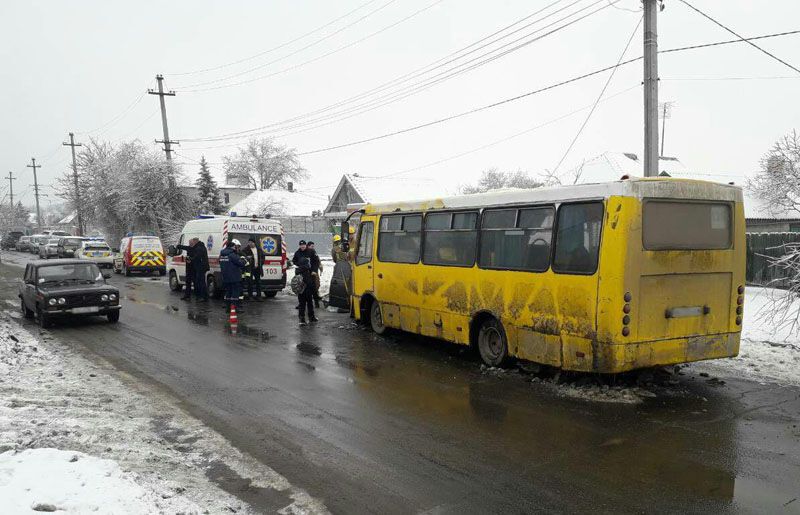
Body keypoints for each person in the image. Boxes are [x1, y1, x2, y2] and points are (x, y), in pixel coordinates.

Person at [220, 239, 246, 312]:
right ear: (232, 247)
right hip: (234, 277)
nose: (235, 248)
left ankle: (228, 308)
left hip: (226, 277)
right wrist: (244, 260)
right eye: (234, 246)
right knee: (235, 293)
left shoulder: (222, 254)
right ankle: (234, 308)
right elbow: (240, 263)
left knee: (228, 292)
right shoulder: (232, 255)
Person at [295, 256, 318, 325]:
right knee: (309, 304)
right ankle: (311, 317)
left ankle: (302, 319)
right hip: (307, 291)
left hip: (300, 291)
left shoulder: (298, 270)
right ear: (305, 263)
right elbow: (309, 282)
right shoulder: (306, 271)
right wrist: (314, 289)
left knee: (302, 305)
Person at [192, 237, 210, 301]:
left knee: (200, 282)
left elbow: (197, 257)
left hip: (200, 267)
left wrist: (191, 259)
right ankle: (205, 296)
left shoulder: (199, 248)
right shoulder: (202, 246)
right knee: (202, 281)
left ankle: (202, 296)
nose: (192, 243)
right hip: (203, 267)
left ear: (195, 241)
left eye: (193, 241)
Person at [307, 241, 323, 308]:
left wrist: (318, 269)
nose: (313, 248)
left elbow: (317, 261)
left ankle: (316, 302)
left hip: (313, 273)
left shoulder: (314, 252)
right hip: (306, 273)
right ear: (308, 246)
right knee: (305, 289)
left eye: (313, 246)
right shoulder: (304, 252)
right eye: (311, 246)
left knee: (315, 287)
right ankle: (303, 304)